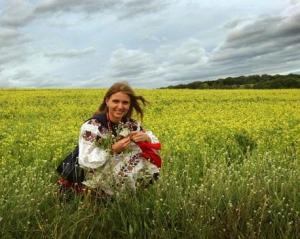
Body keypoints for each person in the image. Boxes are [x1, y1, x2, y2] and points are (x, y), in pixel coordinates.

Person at [59, 82, 162, 198]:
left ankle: (124, 193)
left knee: (148, 156)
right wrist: (112, 150)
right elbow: (85, 161)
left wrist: (147, 138)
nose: (120, 106)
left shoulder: (131, 125)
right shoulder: (93, 125)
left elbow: (154, 144)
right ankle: (95, 192)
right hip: (87, 172)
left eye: (125, 102)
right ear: (107, 101)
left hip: (111, 169)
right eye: (115, 101)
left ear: (129, 105)